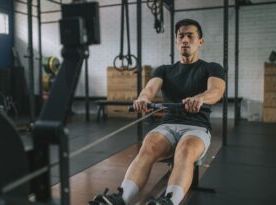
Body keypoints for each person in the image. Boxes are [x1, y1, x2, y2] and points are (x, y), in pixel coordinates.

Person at [90, 19, 226, 205]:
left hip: (197, 126)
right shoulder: (164, 70)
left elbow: (216, 91)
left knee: (185, 150)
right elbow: (149, 89)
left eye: (190, 36)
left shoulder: (211, 67)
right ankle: (121, 199)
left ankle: (168, 201)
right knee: (148, 147)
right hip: (168, 125)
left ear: (200, 41)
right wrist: (144, 99)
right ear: (176, 42)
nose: (185, 39)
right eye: (181, 36)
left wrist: (201, 98)